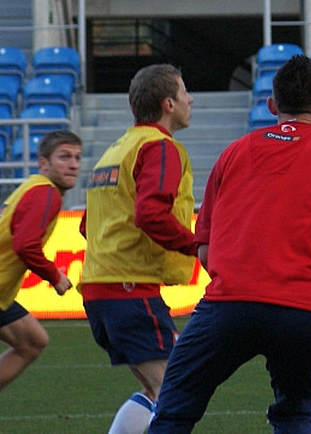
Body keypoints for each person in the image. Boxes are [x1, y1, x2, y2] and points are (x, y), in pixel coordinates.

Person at [149, 55, 311, 433]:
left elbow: (205, 249)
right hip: (303, 311)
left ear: (272, 106)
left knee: (172, 411)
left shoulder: (235, 151)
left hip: (229, 306)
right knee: (294, 416)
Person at [81, 64, 199, 434]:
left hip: (101, 290)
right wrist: (198, 246)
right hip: (129, 291)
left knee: (154, 388)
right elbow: (151, 214)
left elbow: (87, 225)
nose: (190, 99)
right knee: (175, 390)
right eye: (184, 93)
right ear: (168, 104)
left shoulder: (115, 150)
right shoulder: (160, 148)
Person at [0, 130, 81, 433]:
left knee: (33, 341)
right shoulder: (45, 192)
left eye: (77, 157)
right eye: (64, 156)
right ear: (44, 163)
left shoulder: (34, 188)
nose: (73, 164)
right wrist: (55, 277)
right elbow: (25, 245)